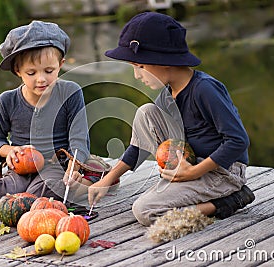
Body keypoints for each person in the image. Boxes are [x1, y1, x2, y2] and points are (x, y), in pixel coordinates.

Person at [88, 12, 255, 226]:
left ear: (163, 60)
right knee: (146, 112)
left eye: (139, 67)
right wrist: (108, 179)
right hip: (191, 164)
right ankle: (191, 187)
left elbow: (238, 140)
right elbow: (139, 145)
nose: (136, 76)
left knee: (145, 211)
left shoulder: (205, 89)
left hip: (223, 173)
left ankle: (229, 200)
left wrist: (193, 172)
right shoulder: (167, 96)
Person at [0, 20, 91, 213]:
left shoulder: (70, 93)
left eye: (49, 71)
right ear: (18, 71)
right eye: (31, 73)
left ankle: (79, 186)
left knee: (42, 193)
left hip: (56, 167)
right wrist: (10, 151)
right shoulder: (7, 101)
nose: (41, 79)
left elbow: (79, 139)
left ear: (61, 65)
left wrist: (74, 167)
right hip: (21, 168)